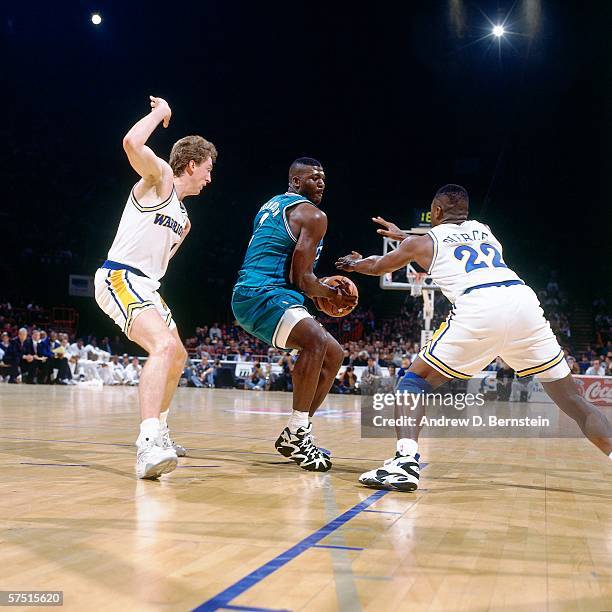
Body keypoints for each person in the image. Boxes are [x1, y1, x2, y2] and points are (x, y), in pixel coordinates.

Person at [337, 183, 612, 491]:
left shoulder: (425, 241)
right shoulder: (485, 230)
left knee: (414, 382)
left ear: (436, 212)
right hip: (521, 300)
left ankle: (405, 463)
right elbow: (447, 242)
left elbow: (378, 265)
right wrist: (407, 237)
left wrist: (354, 264)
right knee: (573, 399)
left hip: (480, 305)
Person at [93, 95, 217, 479]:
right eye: (207, 169)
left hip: (147, 286)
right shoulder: (159, 178)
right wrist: (159, 114)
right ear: (191, 165)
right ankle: (147, 443)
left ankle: (160, 431)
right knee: (161, 346)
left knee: (177, 355)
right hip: (119, 275)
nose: (210, 179)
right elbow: (132, 144)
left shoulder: (185, 219)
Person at [232, 158, 356, 472]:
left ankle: (295, 431)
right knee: (315, 341)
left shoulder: (271, 205)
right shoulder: (314, 215)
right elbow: (303, 280)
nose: (322, 183)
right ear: (296, 181)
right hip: (262, 293)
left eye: (324, 178)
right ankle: (299, 434)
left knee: (334, 354)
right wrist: (332, 294)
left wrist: (318, 288)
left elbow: (294, 274)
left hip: (259, 292)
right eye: (314, 178)